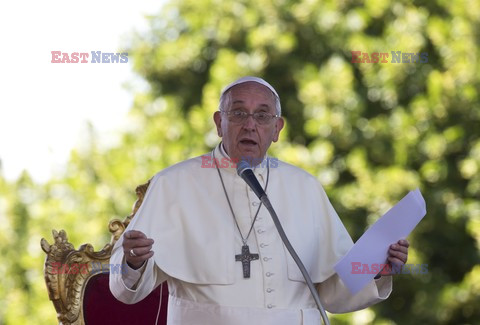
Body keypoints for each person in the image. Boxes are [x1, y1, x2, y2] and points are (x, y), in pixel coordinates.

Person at [109, 76, 409, 324]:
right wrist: (133, 262)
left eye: (262, 115)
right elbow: (126, 290)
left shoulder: (305, 187)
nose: (250, 125)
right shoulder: (173, 184)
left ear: (277, 129)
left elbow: (331, 294)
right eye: (238, 113)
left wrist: (376, 269)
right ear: (218, 122)